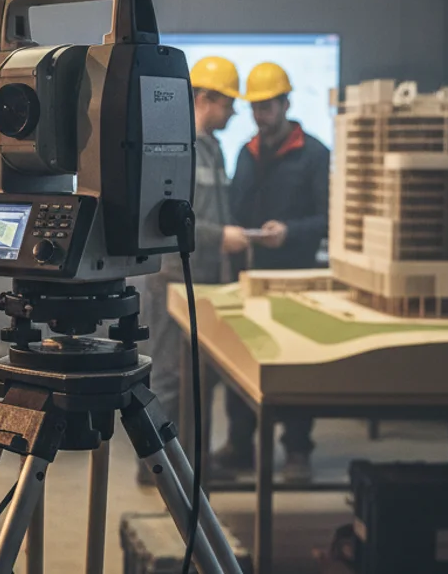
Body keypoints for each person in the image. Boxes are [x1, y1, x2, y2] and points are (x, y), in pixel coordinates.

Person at [140, 57, 249, 485]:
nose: (234, 112)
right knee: (169, 375)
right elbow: (162, 217)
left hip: (205, 281)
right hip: (172, 279)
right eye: (229, 103)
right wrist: (220, 236)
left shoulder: (213, 149)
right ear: (204, 98)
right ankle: (157, 469)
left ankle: (193, 465)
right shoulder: (173, 147)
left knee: (199, 378)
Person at [219, 61, 329, 482]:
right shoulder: (246, 153)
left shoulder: (314, 154)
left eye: (266, 106)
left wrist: (289, 232)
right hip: (247, 275)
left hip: (295, 277)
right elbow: (234, 207)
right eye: (254, 108)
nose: (259, 115)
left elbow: (328, 218)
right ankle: (239, 446)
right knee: (240, 357)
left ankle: (297, 450)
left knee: (296, 365)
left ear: (286, 104)